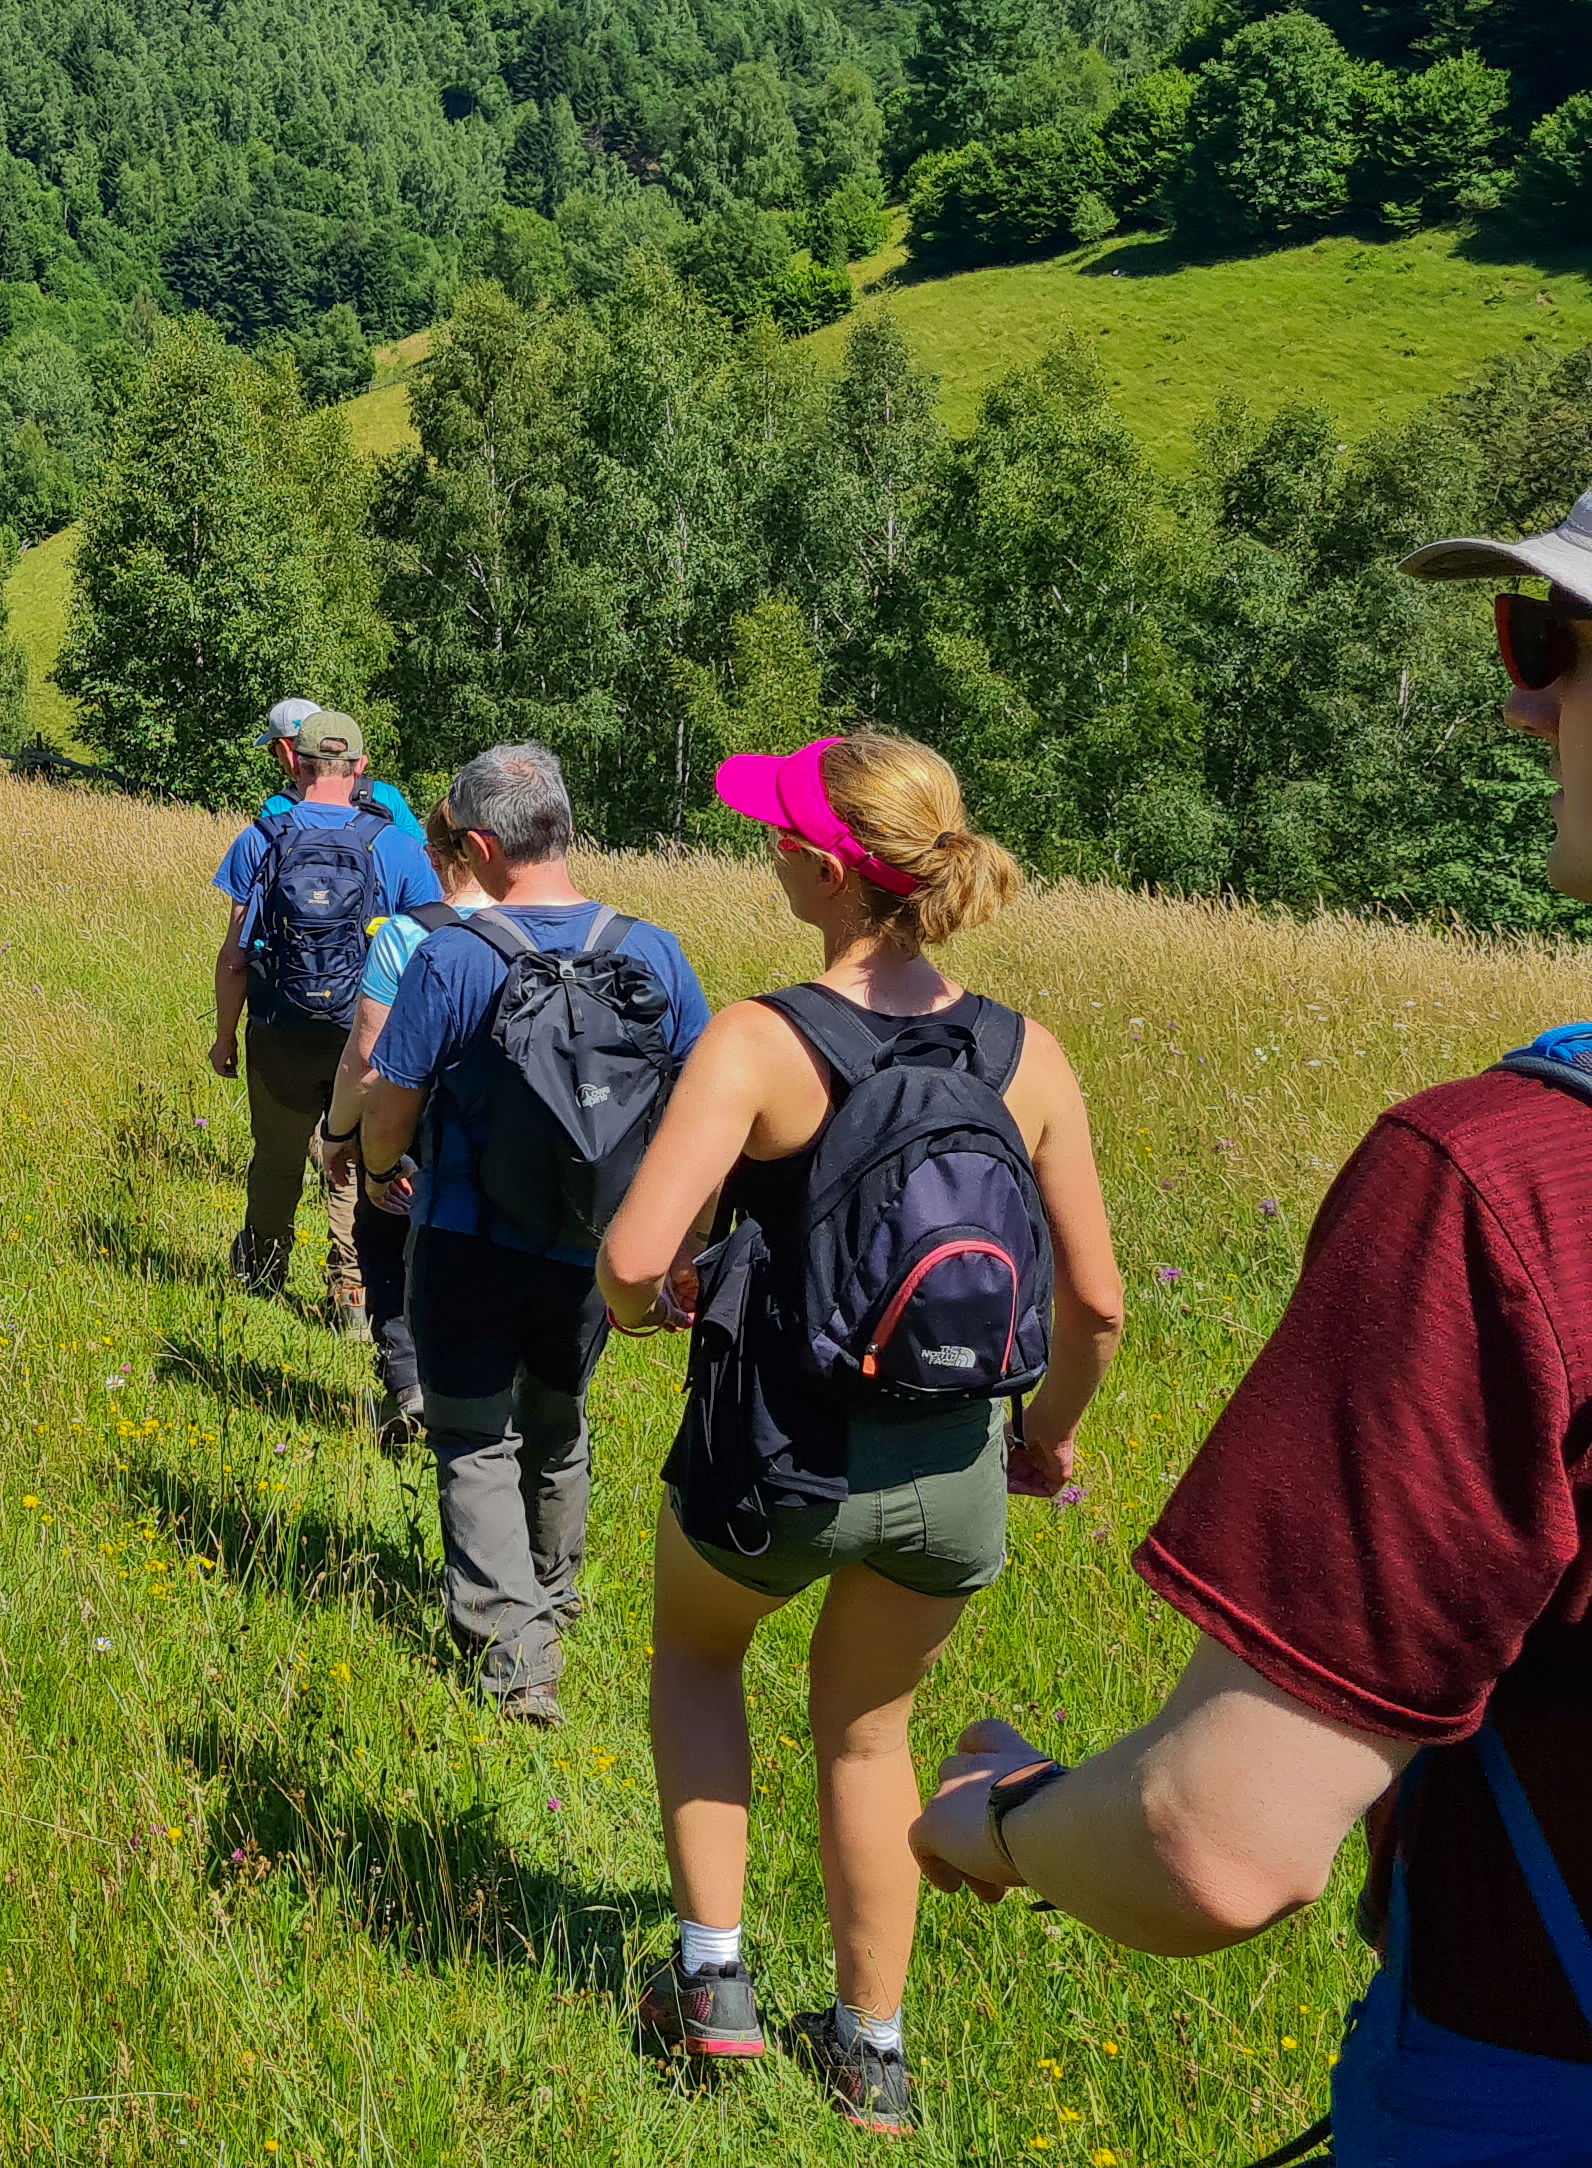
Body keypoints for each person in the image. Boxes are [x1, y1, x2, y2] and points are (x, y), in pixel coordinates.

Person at [913, 500, 1592, 2163]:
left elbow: (1212, 1840)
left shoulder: (1504, 1187)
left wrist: (1003, 1819)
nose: (1524, 700)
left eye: (1553, 642)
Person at [597, 733, 1122, 2134]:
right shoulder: (1028, 1055)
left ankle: (714, 1984)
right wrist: (1048, 1440)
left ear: (831, 872)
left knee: (699, 1654)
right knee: (871, 1736)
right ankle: (872, 2055)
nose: (766, 847)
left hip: (776, 1462)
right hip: (951, 1475)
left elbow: (634, 1260)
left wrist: (653, 1308)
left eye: (780, 832)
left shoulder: (761, 1041)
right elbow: (1100, 1304)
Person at [355, 737, 707, 1724]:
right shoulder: (653, 951)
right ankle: (552, 1596)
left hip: (466, 1239)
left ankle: (518, 1661)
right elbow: (700, 1112)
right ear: (564, 828)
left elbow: (389, 1101)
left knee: (474, 1438)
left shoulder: (455, 956)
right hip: (595, 1242)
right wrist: (677, 1245)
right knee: (557, 1422)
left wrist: (381, 1174)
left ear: (478, 845)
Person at [210, 708, 441, 1311]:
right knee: (354, 1160)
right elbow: (430, 952)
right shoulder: (397, 846)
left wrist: (225, 1036)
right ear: (360, 767)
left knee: (277, 1157)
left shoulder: (260, 839)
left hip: (279, 1031)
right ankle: (351, 1290)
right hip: (365, 1035)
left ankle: (261, 1274)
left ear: (297, 762)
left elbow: (234, 958)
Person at [307, 796, 474, 1449]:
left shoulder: (408, 935)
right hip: (518, 1141)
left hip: (418, 1135)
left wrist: (338, 1134)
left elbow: (367, 1057)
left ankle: (409, 1384)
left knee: (387, 1240)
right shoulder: (545, 930)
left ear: (433, 857)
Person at [258, 696, 420, 832]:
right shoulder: (386, 796)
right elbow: (421, 852)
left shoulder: (277, 808)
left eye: (273, 750)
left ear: (285, 750)